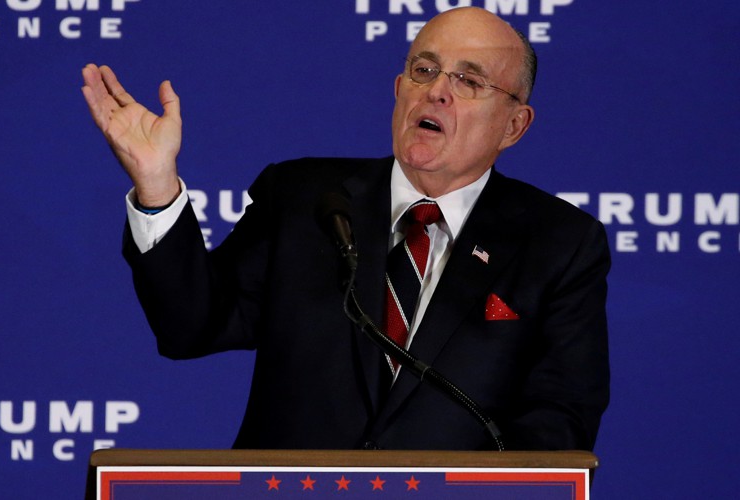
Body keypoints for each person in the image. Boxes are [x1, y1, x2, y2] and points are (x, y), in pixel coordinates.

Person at [81, 7, 609, 451]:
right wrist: (157, 184)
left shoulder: (559, 242)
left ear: (514, 125)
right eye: (424, 70)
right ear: (399, 90)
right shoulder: (304, 199)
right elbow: (191, 326)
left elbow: (560, 423)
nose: (437, 92)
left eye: (469, 80)